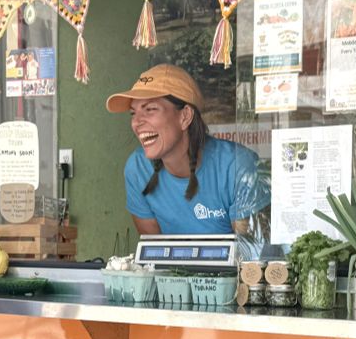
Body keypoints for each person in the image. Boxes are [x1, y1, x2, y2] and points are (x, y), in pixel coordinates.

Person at [106, 63, 269, 236]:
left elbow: (251, 256)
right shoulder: (138, 168)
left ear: (185, 116)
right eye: (133, 113)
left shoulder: (237, 166)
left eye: (150, 109)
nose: (136, 122)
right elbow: (153, 252)